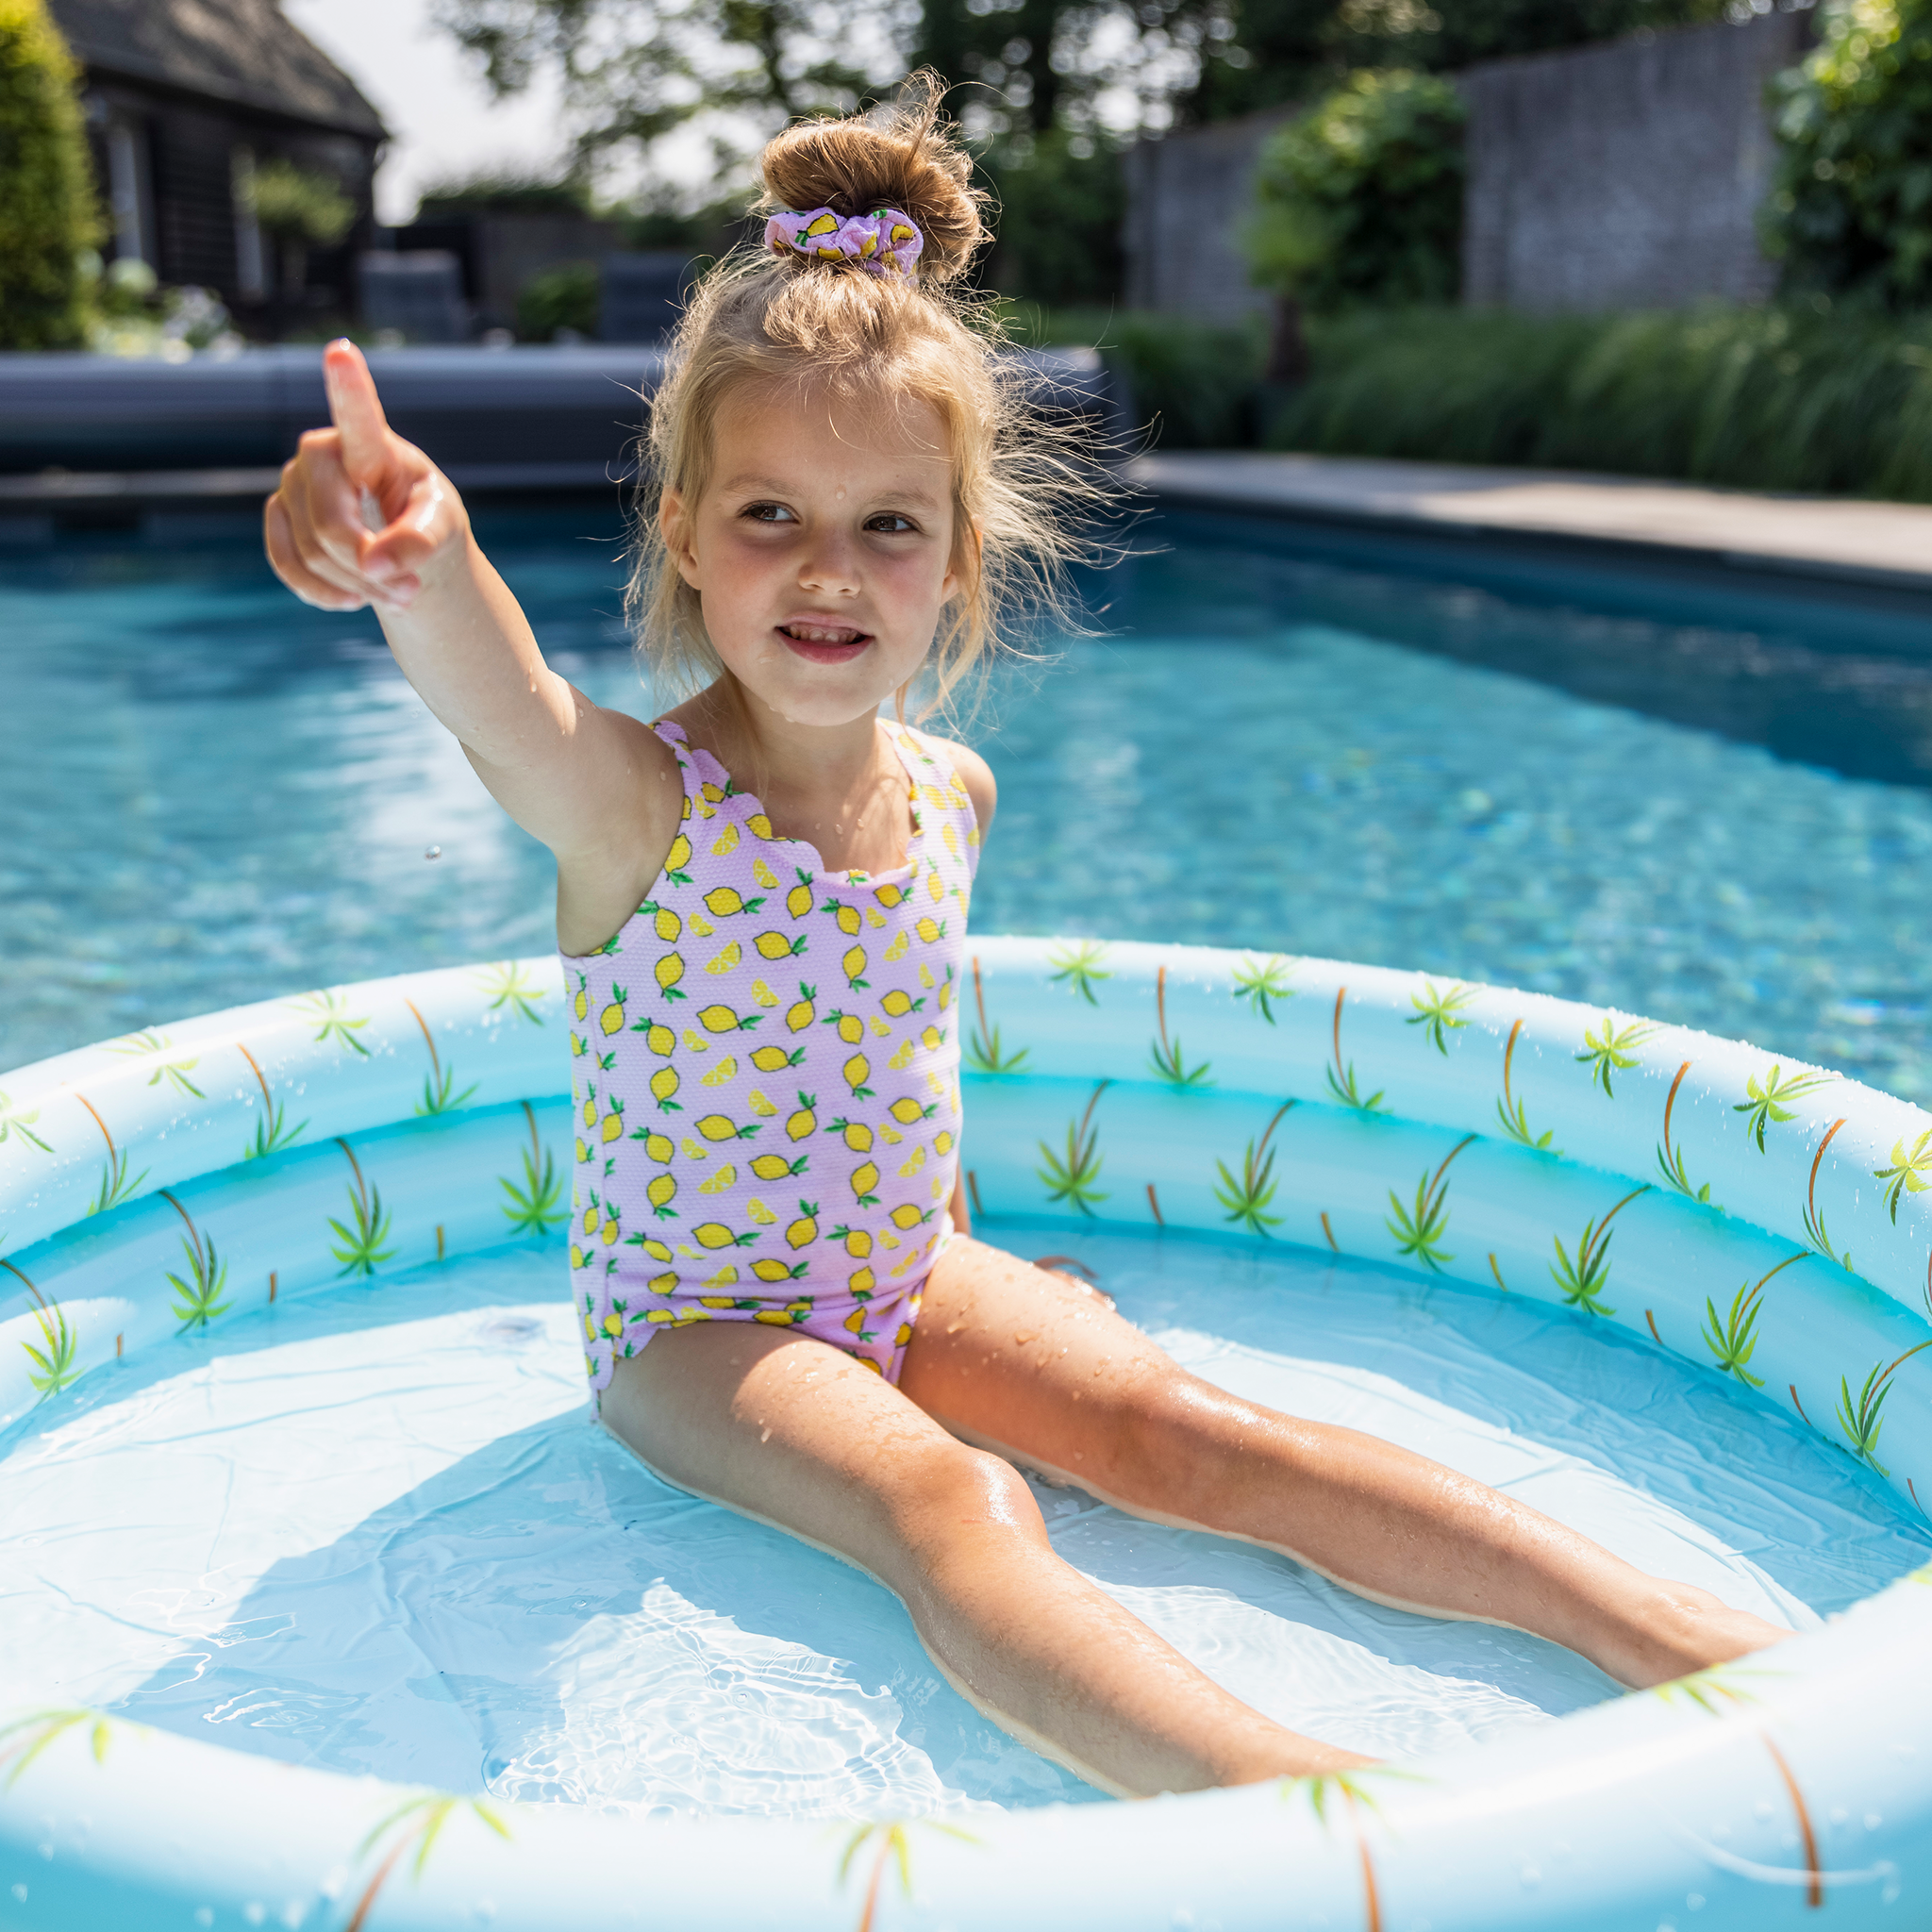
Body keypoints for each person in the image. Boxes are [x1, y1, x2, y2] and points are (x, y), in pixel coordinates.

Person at [263, 76, 1789, 1803]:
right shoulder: (638, 807)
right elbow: (506, 703)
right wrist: (421, 561)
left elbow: (894, 1052)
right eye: (769, 514)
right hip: (697, 1330)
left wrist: (979, 1249)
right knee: (955, 1501)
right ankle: (1307, 1810)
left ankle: (1668, 1634)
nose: (826, 569)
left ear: (959, 558)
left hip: (905, 1274)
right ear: (685, 534)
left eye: (886, 526)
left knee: (1189, 1429)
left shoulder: (950, 793)